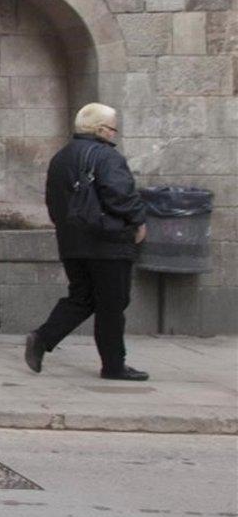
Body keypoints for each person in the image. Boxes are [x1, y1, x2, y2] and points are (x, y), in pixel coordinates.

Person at [25, 102, 149, 381]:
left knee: (82, 296)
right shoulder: (107, 157)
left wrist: (68, 231)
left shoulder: (61, 157)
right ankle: (114, 366)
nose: (114, 134)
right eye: (113, 129)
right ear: (102, 129)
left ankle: (42, 338)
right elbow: (120, 195)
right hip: (108, 243)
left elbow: (53, 201)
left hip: (72, 242)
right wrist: (139, 220)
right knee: (112, 304)